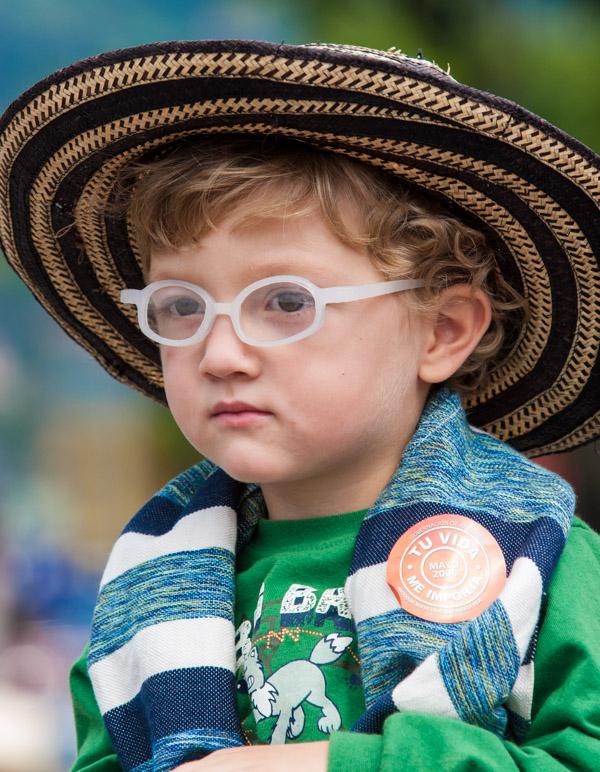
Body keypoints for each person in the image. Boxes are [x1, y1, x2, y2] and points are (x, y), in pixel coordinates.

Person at [0, 39, 598, 772]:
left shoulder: (542, 560)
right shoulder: (144, 591)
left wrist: (318, 766)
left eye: (286, 302)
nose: (220, 354)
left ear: (442, 331)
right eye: (182, 306)